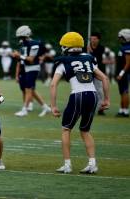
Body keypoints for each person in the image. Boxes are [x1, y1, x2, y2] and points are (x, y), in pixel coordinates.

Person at [50, 32, 110, 174]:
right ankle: (92, 163)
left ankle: (67, 164)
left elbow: (53, 85)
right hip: (93, 95)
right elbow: (105, 78)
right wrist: (106, 99)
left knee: (66, 129)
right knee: (85, 130)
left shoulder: (63, 61)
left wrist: (53, 106)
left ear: (66, 46)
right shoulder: (89, 58)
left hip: (77, 95)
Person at [11, 25, 51, 117]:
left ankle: (25, 109)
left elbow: (31, 59)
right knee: (31, 90)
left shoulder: (34, 44)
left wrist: (19, 56)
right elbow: (22, 58)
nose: (21, 39)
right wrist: (17, 56)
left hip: (33, 67)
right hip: (25, 68)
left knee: (28, 89)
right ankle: (45, 107)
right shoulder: (23, 44)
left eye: (22, 37)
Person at [87, 32, 106, 115]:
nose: (93, 40)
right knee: (88, 89)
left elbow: (97, 58)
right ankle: (88, 107)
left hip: (99, 71)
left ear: (98, 40)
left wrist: (91, 52)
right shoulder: (86, 48)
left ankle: (101, 108)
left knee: (99, 90)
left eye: (94, 39)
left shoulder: (102, 48)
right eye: (91, 39)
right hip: (88, 71)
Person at [116, 29, 130, 117]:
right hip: (122, 73)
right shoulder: (124, 47)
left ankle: (125, 111)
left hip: (124, 73)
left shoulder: (128, 47)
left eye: (121, 37)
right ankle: (121, 110)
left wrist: (121, 74)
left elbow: (128, 63)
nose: (119, 39)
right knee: (122, 92)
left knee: (125, 91)